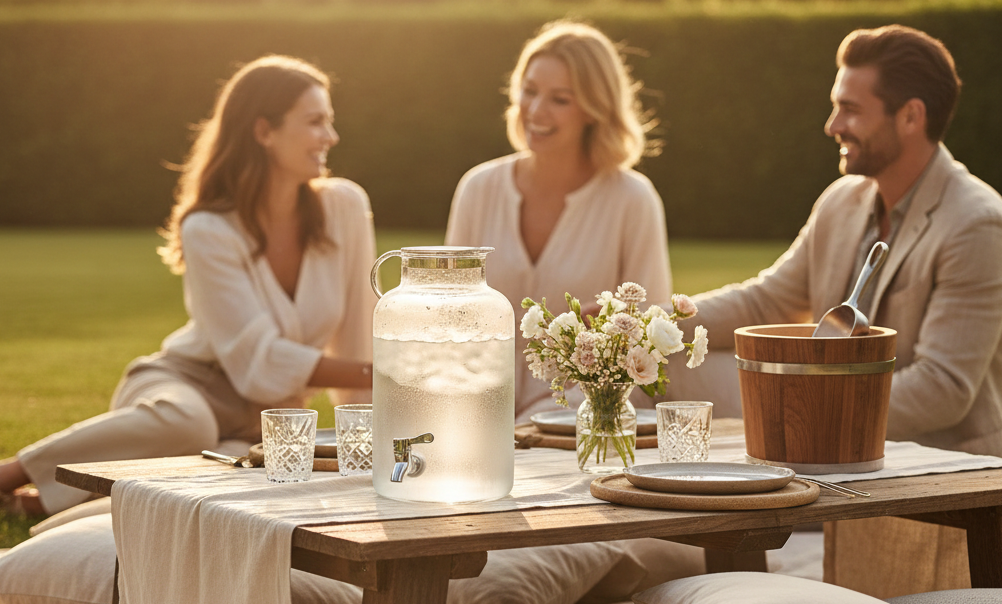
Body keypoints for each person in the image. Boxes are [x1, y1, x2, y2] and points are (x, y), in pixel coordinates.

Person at [663, 25, 1002, 595]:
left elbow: (946, 387)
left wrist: (806, 418)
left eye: (849, 108)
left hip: (944, 480)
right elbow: (767, 298)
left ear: (910, 116)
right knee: (677, 369)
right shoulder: (842, 201)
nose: (832, 126)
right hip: (850, 464)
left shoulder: (977, 223)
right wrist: (661, 326)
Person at [0, 55, 377, 516]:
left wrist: (364, 429)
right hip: (184, 385)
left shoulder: (345, 207)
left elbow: (359, 329)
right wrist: (372, 372)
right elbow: (256, 359)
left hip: (264, 421)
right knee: (190, 424)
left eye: (330, 122)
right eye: (316, 122)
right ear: (264, 132)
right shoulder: (209, 228)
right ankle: (11, 473)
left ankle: (33, 506)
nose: (330, 137)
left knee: (216, 492)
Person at [445, 20, 672, 423]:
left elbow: (648, 332)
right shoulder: (478, 187)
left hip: (582, 410)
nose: (535, 111)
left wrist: (602, 330)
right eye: (529, 92)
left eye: (559, 99)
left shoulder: (633, 200)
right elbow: (447, 312)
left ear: (594, 108)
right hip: (472, 398)